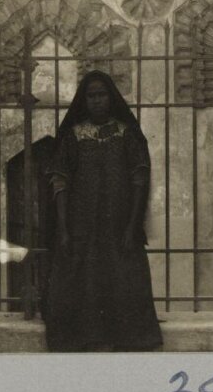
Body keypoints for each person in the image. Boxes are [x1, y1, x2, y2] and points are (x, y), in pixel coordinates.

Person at [42, 70, 163, 352]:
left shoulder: (126, 134)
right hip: (81, 223)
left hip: (119, 222)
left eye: (102, 95)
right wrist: (63, 228)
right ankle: (87, 336)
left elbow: (139, 179)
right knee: (84, 276)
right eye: (91, 96)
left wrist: (133, 224)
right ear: (84, 100)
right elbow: (60, 181)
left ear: (111, 97)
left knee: (121, 276)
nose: (97, 101)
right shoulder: (73, 135)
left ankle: (126, 337)